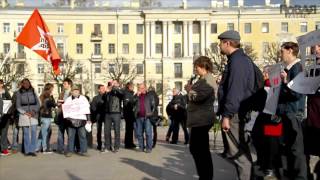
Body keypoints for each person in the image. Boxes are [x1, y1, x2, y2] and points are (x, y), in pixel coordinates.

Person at [217, 30, 255, 180]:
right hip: (239, 111)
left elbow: (235, 90)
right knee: (241, 152)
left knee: (239, 155)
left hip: (235, 114)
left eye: (220, 43)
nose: (219, 46)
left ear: (227, 43)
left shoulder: (237, 61)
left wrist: (226, 115)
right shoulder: (241, 59)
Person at [277, 42, 307, 180]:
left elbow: (297, 93)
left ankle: (299, 176)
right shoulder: (289, 69)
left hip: (293, 114)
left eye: (282, 51)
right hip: (286, 113)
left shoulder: (297, 68)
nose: (280, 54)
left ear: (290, 51)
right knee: (285, 147)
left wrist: (284, 82)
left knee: (295, 149)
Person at [185, 56, 216, 180]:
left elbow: (199, 96)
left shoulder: (209, 79)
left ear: (203, 66)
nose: (195, 69)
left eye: (196, 67)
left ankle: (206, 176)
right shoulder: (202, 79)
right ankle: (204, 175)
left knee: (200, 150)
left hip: (202, 119)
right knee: (197, 149)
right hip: (198, 119)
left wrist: (189, 90)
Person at [304, 44, 320, 180]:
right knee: (307, 152)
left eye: (319, 47)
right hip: (312, 116)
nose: (316, 50)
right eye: (315, 47)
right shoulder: (311, 68)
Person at [16, 78, 40, 156]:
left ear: (29, 83)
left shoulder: (33, 91)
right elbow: (18, 106)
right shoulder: (19, 93)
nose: (26, 84)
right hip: (24, 115)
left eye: (28, 83)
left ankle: (32, 150)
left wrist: (33, 112)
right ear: (22, 84)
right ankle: (27, 151)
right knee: (26, 133)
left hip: (33, 114)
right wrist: (25, 113)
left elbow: (38, 104)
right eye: (25, 83)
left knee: (33, 132)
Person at [64, 86, 91, 157]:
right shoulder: (68, 99)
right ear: (71, 92)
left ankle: (84, 151)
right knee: (71, 137)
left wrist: (88, 119)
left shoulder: (83, 98)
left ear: (79, 91)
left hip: (81, 120)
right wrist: (68, 119)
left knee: (82, 136)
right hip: (71, 121)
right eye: (74, 91)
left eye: (77, 91)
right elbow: (66, 111)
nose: (76, 92)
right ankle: (70, 151)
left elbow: (87, 109)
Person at [133, 83, 156, 153]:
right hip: (138, 117)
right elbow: (132, 103)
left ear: (145, 88)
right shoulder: (136, 96)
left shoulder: (150, 96)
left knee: (148, 133)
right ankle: (141, 147)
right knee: (139, 133)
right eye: (139, 88)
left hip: (147, 117)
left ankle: (149, 148)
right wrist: (136, 96)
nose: (141, 89)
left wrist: (150, 114)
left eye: (142, 88)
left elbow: (153, 106)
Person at [102, 80, 123, 153]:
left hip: (116, 112)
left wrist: (115, 87)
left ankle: (116, 147)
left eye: (114, 83)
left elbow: (121, 95)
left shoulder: (119, 90)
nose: (112, 84)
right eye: (112, 83)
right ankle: (107, 146)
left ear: (117, 84)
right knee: (106, 131)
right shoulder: (109, 91)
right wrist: (106, 92)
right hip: (107, 113)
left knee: (117, 131)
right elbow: (103, 99)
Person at [36, 83, 56, 154]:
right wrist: (52, 97)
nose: (53, 89)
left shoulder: (42, 95)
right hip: (46, 116)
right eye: (52, 88)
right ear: (49, 88)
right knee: (45, 133)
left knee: (42, 133)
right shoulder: (47, 96)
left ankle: (37, 148)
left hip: (43, 116)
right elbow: (53, 104)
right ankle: (44, 149)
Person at [56, 78, 73, 154]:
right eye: (63, 84)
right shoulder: (61, 93)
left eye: (65, 84)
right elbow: (58, 102)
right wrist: (58, 103)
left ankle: (70, 148)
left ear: (69, 85)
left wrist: (66, 102)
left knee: (70, 133)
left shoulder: (73, 93)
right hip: (61, 115)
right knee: (60, 133)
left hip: (70, 116)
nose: (63, 85)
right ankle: (60, 148)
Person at [91, 84, 106, 151]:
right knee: (99, 131)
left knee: (107, 131)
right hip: (98, 116)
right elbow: (93, 108)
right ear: (99, 90)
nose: (103, 89)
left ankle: (108, 145)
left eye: (104, 88)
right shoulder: (95, 98)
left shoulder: (107, 96)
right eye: (102, 88)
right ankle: (99, 145)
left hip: (106, 116)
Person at [123, 82, 136, 149]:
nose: (133, 87)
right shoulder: (127, 93)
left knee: (131, 129)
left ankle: (130, 142)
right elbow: (127, 104)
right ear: (129, 86)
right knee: (128, 129)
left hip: (131, 113)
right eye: (132, 86)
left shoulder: (131, 93)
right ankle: (127, 144)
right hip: (128, 114)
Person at [0, 79, 12, 156]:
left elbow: (10, 101)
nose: (0, 85)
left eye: (1, 84)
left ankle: (4, 149)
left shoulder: (5, 92)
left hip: (5, 115)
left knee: (4, 133)